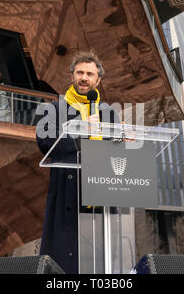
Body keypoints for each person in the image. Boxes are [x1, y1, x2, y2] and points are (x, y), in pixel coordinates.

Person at [36, 51, 119, 274]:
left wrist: (124, 142)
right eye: (80, 72)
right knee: (64, 259)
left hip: (101, 191)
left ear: (98, 80)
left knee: (101, 260)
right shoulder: (53, 108)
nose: (84, 77)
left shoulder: (109, 113)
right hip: (67, 190)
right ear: (72, 76)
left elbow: (115, 151)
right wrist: (81, 128)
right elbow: (44, 142)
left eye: (90, 74)